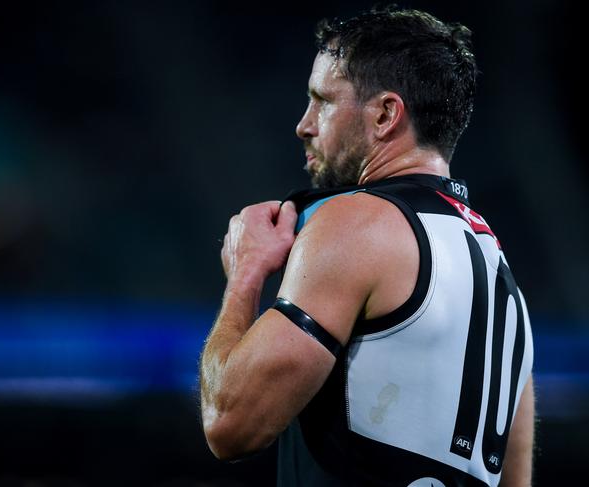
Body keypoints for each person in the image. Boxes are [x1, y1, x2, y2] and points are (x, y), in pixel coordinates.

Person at [199, 6, 534, 487]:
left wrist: (246, 274)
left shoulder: (356, 224)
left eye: (322, 101)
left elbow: (230, 425)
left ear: (384, 115)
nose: (304, 124)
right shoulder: (506, 285)